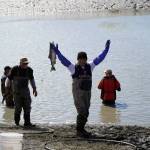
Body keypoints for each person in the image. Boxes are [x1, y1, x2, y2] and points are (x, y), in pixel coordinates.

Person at [52, 40, 111, 138]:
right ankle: (79, 130)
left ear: (86, 59)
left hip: (87, 92)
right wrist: (58, 53)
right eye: (80, 59)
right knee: (82, 111)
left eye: (84, 59)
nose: (82, 61)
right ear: (78, 60)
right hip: (78, 93)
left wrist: (106, 50)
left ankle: (81, 129)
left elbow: (99, 58)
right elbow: (64, 61)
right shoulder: (73, 68)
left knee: (86, 111)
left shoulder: (90, 66)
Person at [5, 58, 37, 127]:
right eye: (24, 63)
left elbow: (32, 80)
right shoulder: (14, 69)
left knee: (27, 107)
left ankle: (27, 123)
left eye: (27, 63)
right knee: (18, 108)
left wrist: (34, 89)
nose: (25, 65)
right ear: (20, 63)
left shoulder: (29, 70)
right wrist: (7, 87)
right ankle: (16, 123)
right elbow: (8, 79)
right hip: (17, 93)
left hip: (26, 93)